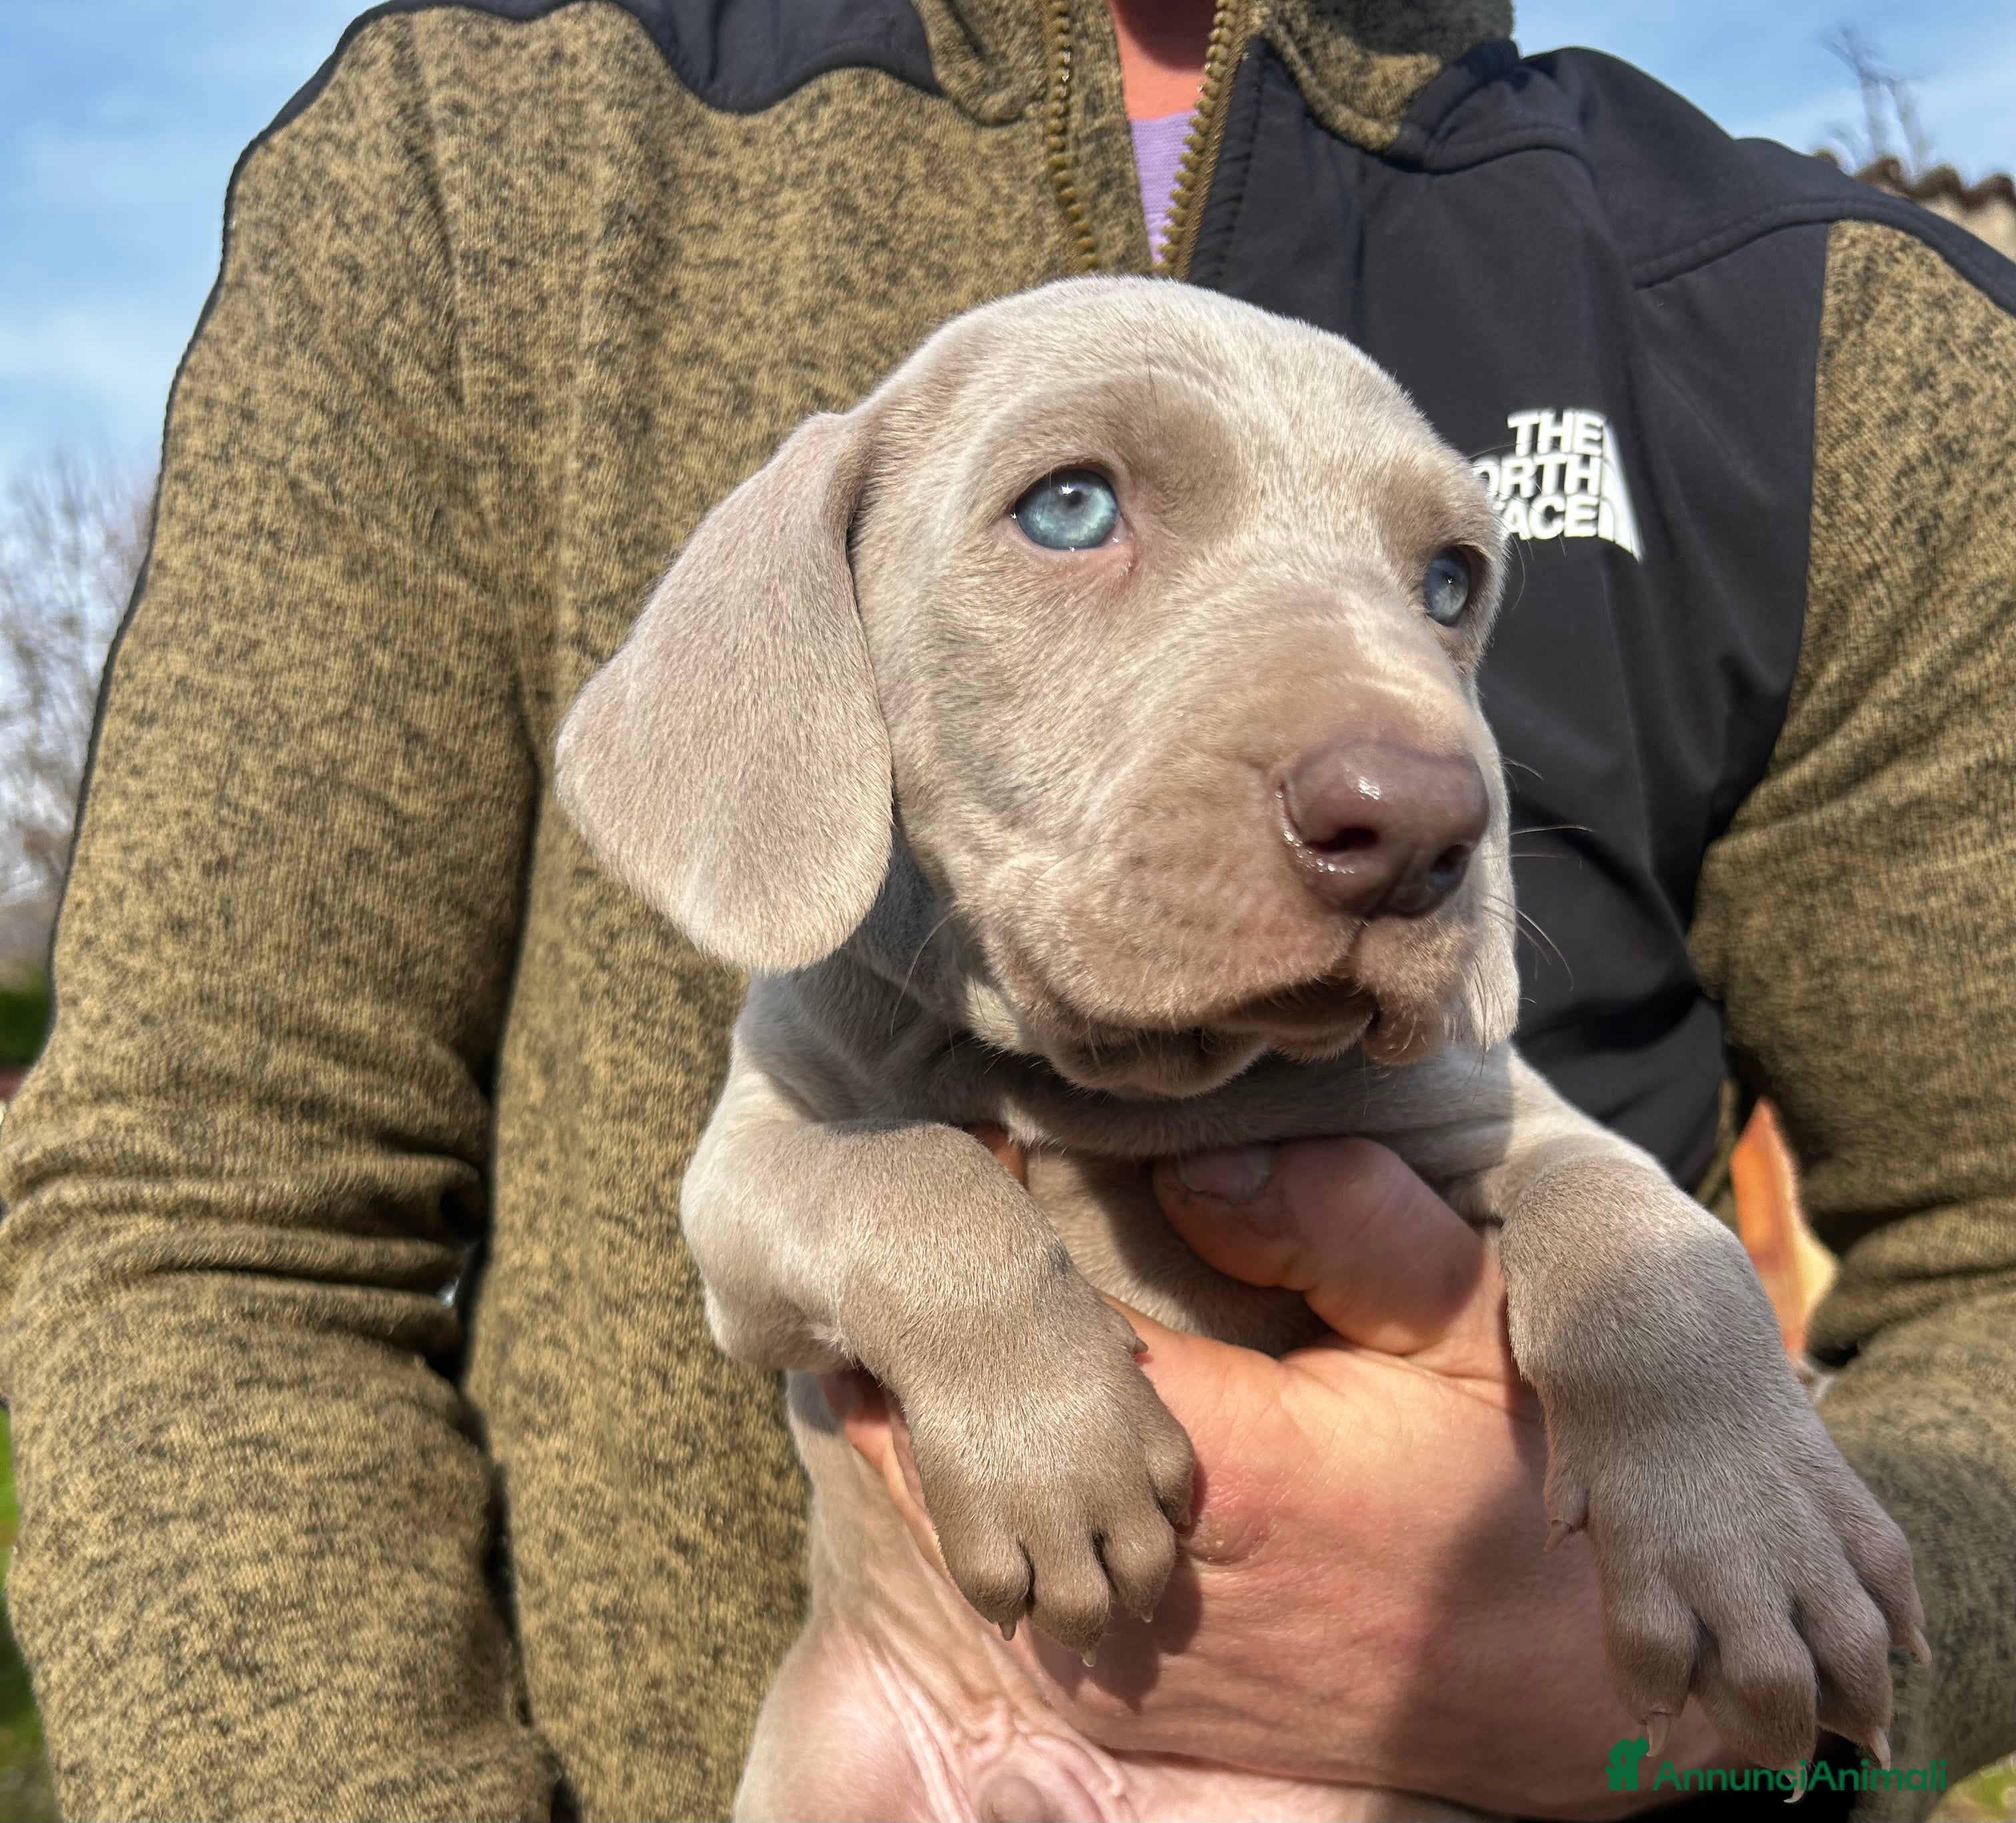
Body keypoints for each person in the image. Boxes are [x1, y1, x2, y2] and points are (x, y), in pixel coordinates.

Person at [0, 0, 2011, 1817]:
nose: (1407, 772)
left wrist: (1731, 1713)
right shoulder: (485, 157)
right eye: (1076, 508)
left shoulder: (1815, 324)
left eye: (1447, 588)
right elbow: (209, 1213)